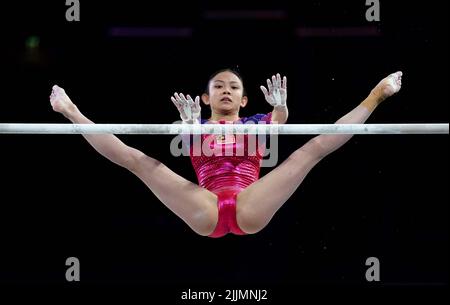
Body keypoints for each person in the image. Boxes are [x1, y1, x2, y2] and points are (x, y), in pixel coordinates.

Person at [49, 69, 402, 237]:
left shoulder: (258, 120)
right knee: (138, 162)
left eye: (234, 87)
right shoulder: (195, 121)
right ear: (206, 98)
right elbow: (192, 147)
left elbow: (279, 122)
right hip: (204, 207)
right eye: (218, 86)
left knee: (309, 151)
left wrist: (280, 110)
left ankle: (375, 95)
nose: (226, 91)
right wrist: (192, 128)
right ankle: (71, 111)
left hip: (250, 203)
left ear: (245, 99)